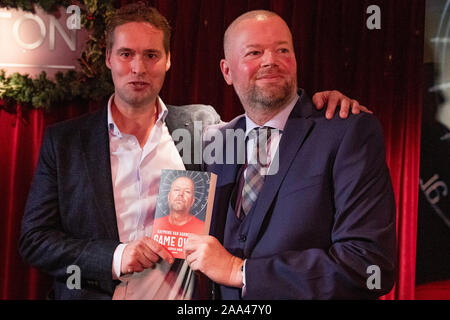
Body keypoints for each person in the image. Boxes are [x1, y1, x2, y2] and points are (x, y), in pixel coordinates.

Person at [19, 3, 368, 300]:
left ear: (168, 60)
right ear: (109, 58)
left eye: (151, 55)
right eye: (126, 54)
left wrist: (324, 104)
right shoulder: (64, 141)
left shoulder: (203, 126)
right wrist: (116, 256)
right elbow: (35, 240)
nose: (139, 68)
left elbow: (273, 123)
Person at [184, 10, 397, 299]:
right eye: (254, 52)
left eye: (282, 50)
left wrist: (240, 271)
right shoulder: (212, 142)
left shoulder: (348, 131)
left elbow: (369, 263)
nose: (270, 60)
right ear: (226, 71)